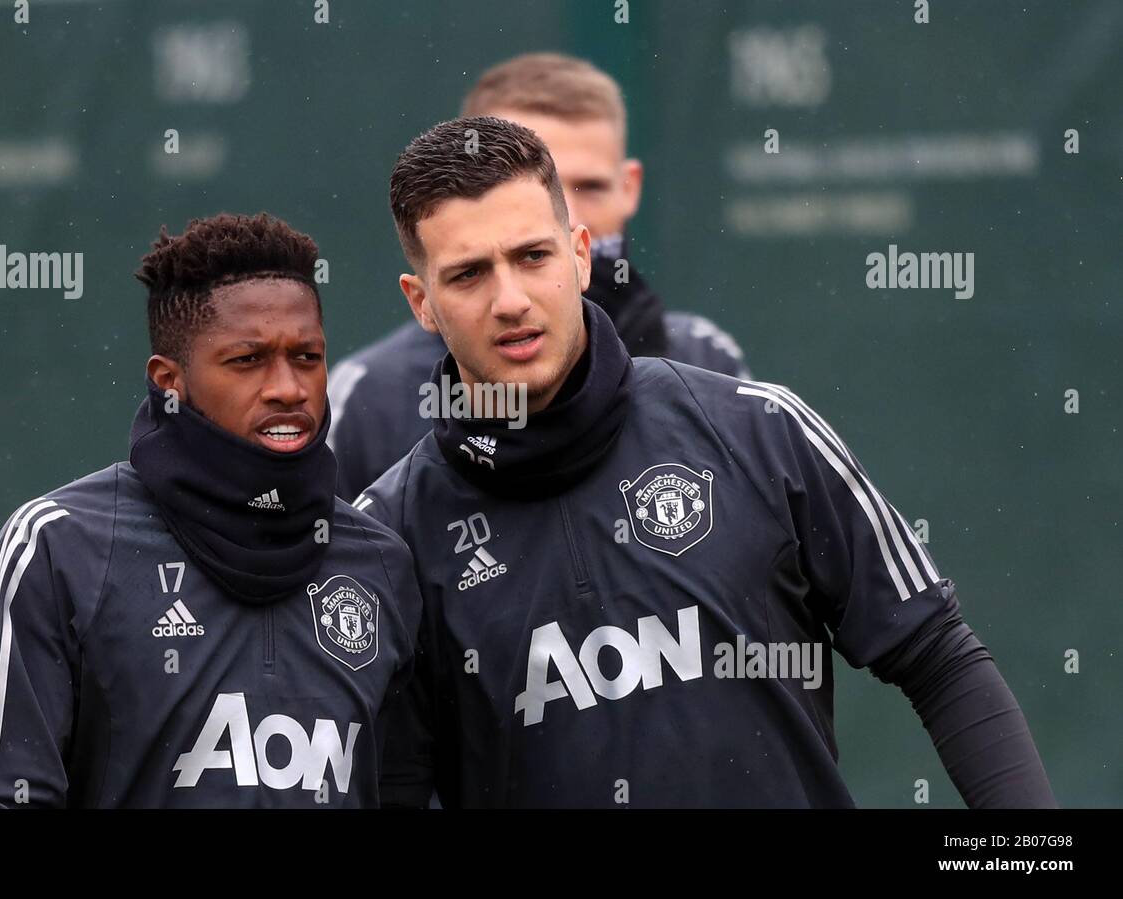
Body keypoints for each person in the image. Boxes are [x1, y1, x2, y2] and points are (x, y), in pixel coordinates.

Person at [361, 117, 1056, 808]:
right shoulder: (389, 545)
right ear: (421, 302)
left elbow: (937, 654)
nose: (509, 300)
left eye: (532, 257)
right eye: (469, 274)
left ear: (579, 254)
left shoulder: (758, 428)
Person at [0, 213, 421, 808]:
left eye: (307, 356)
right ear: (170, 381)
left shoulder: (379, 561)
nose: (288, 387)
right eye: (247, 360)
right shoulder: (60, 547)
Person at [327, 52, 748, 502]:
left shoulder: (705, 359)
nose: (567, 212)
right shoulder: (372, 396)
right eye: (536, 185)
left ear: (630, 189)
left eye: (591, 187)